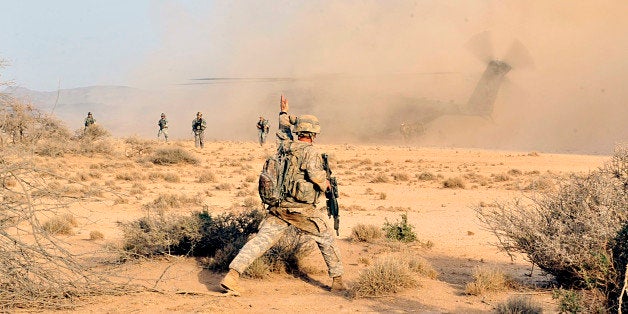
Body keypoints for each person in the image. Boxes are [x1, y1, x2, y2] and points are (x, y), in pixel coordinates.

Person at [220, 115, 347, 295]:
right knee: (325, 238)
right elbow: (316, 176)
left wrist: (283, 114)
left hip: (279, 207)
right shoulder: (310, 152)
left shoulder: (284, 146)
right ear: (313, 134)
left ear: (299, 132)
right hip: (300, 209)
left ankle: (232, 276)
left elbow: (283, 132)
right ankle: (338, 281)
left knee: (261, 241)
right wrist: (326, 184)